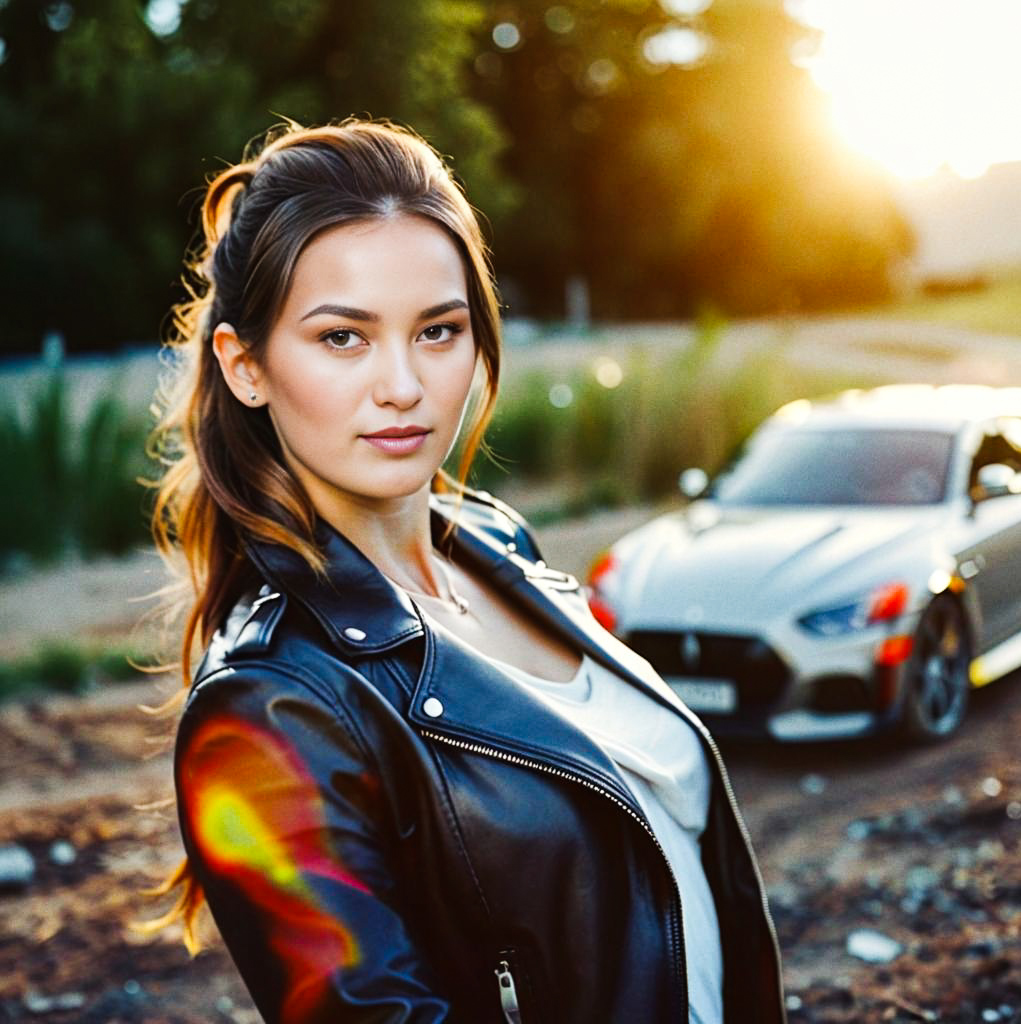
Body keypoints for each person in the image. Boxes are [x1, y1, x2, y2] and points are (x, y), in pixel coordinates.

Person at [152, 116, 786, 1024]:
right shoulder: (272, 702)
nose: (403, 385)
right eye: (343, 338)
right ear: (246, 366)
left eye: (438, 330)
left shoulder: (496, 544)